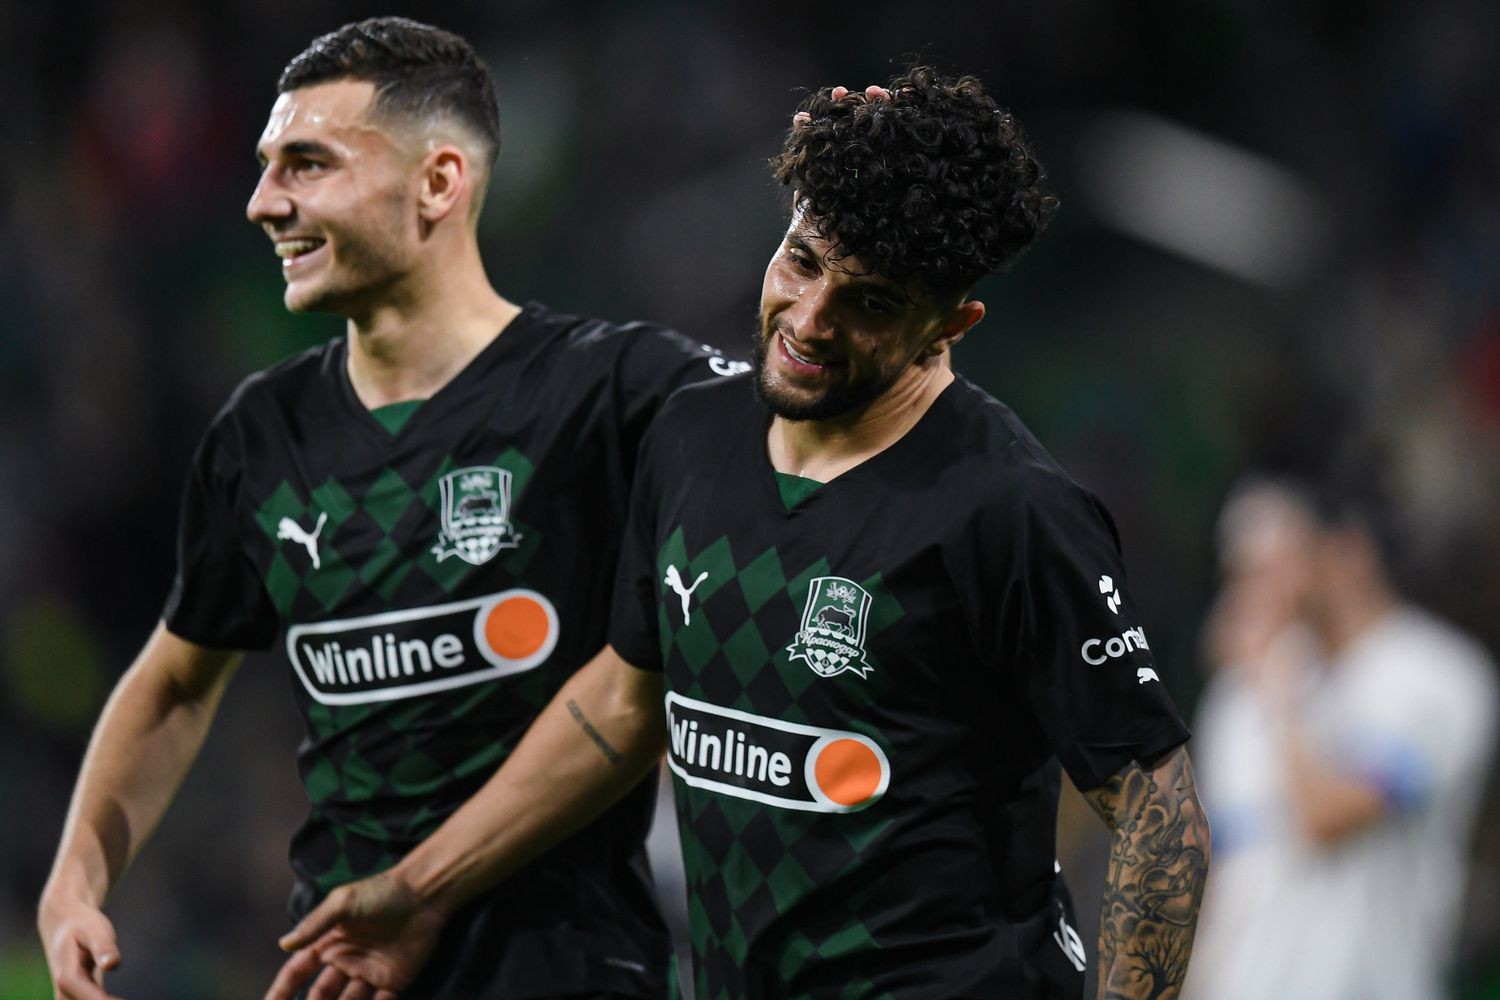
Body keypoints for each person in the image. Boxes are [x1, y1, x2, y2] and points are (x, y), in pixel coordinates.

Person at [270, 69, 1210, 1000]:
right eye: (802, 262)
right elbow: (624, 704)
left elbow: (1158, 815)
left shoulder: (1009, 508)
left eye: (872, 302)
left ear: (948, 324)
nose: (810, 320)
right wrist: (420, 891)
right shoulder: (691, 435)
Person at [36, 17, 742, 1000]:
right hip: (337, 972)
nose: (262, 202)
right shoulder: (262, 433)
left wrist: (864, 189)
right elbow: (175, 681)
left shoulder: (618, 393)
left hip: (565, 972)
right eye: (266, 166)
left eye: (307, 164)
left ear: (438, 183)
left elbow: (817, 441)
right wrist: (74, 880)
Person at [1186, 477, 1498, 1000]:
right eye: (1241, 572)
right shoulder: (1237, 698)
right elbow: (1216, 874)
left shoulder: (1439, 677)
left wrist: (1278, 700)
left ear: (1347, 552)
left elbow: (1326, 817)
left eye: (1278, 561)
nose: (1253, 594)